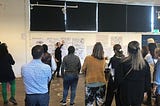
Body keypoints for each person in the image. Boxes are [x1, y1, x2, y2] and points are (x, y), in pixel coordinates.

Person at [116, 41, 151, 106]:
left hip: (125, 91)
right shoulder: (144, 64)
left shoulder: (123, 63)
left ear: (128, 50)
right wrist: (145, 91)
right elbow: (147, 80)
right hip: (139, 92)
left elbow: (118, 80)